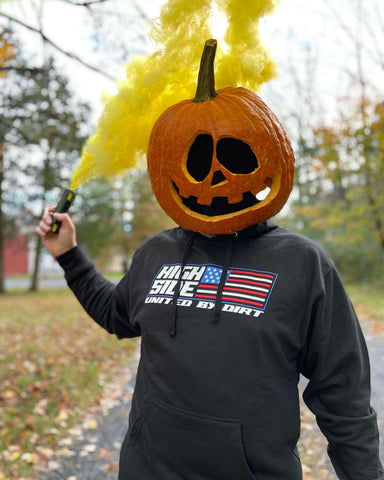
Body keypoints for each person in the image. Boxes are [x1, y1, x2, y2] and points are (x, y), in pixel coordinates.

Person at [36, 39, 383, 478]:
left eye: (232, 158)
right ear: (172, 170)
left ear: (262, 155)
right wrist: (68, 255)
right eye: (199, 162)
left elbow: (344, 397)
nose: (216, 177)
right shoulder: (157, 252)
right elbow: (115, 314)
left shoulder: (303, 264)